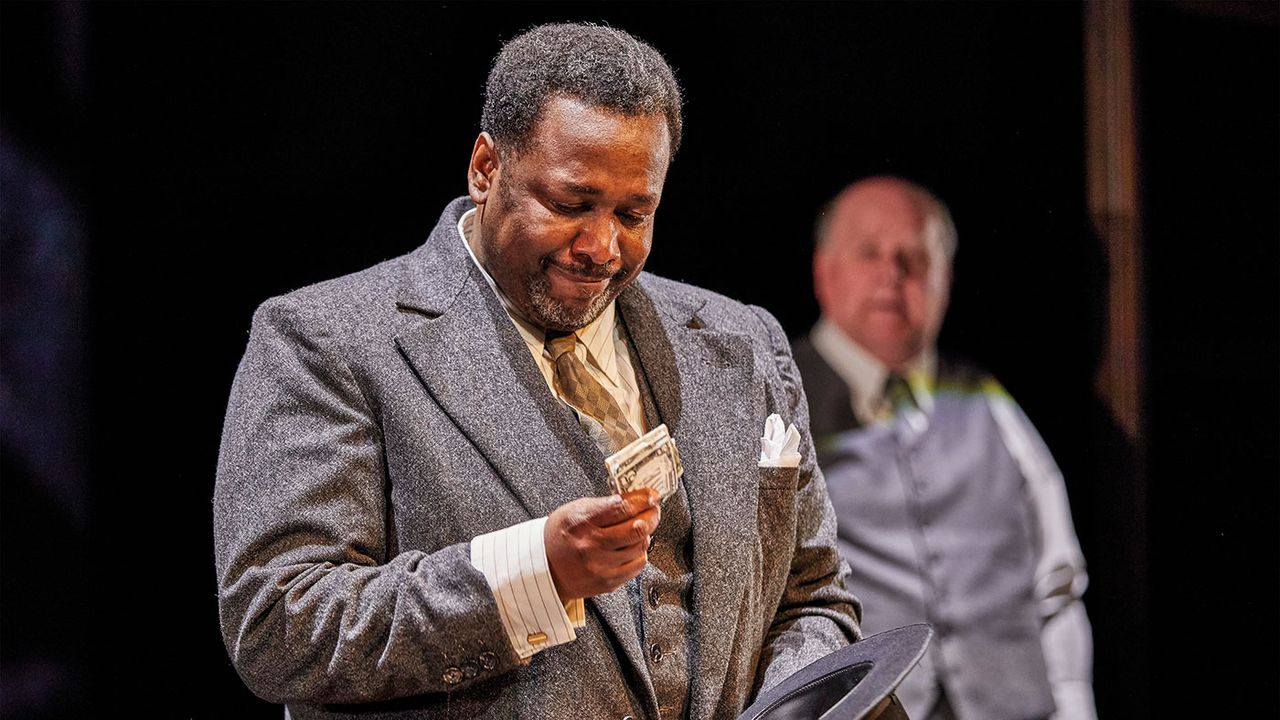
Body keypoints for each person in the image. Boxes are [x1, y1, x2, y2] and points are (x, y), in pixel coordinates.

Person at [214, 23, 863, 720]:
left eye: (634, 213)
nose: (601, 247)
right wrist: (533, 574)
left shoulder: (743, 342)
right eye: (570, 204)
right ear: (487, 168)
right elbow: (280, 626)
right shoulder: (327, 339)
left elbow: (814, 598)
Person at [792, 176, 1098, 720]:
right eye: (870, 254)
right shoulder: (776, 396)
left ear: (946, 279)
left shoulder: (986, 401)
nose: (893, 274)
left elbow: (1057, 585)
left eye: (915, 257)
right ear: (824, 271)